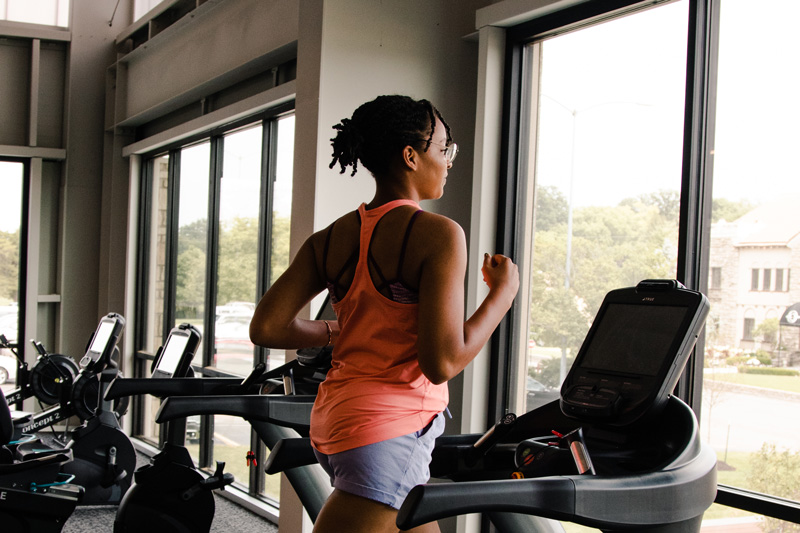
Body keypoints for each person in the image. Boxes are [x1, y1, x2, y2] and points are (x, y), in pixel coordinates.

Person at [249, 95, 519, 533]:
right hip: (385, 428)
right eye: (444, 149)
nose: (449, 161)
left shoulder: (330, 238)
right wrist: (502, 295)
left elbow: (267, 327)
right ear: (411, 156)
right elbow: (442, 362)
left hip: (339, 418)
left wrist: (336, 331)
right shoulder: (438, 234)